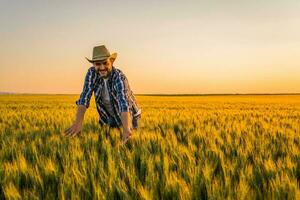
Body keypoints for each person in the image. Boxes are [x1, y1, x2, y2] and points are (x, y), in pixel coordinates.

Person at [64, 45, 141, 144]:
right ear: (93, 65)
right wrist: (78, 123)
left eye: (105, 63)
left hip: (129, 116)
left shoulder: (119, 77)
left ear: (111, 62)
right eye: (98, 64)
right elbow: (84, 97)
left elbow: (123, 103)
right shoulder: (91, 73)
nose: (102, 67)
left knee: (130, 143)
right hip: (107, 115)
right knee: (107, 143)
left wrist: (126, 128)